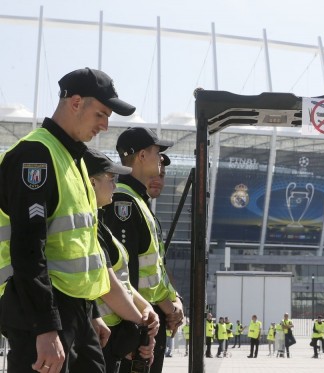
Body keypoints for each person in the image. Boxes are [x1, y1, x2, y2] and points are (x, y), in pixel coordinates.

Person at [0, 68, 134, 372]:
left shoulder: (72, 158)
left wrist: (91, 314)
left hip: (74, 310)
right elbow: (27, 248)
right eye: (101, 114)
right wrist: (44, 328)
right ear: (76, 102)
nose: (105, 125)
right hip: (42, 311)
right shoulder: (36, 155)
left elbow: (78, 246)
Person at [103, 127, 185, 373]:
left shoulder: (138, 201)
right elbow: (126, 276)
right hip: (135, 326)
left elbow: (154, 267)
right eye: (157, 153)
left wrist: (172, 300)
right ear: (141, 156)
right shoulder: (124, 203)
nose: (161, 160)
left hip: (146, 321)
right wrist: (136, 333)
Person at [83, 148, 161, 372]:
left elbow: (120, 280)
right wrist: (140, 326)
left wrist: (145, 308)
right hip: (99, 337)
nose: (115, 186)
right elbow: (106, 284)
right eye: (111, 179)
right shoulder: (86, 227)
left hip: (109, 337)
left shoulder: (99, 224)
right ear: (92, 183)